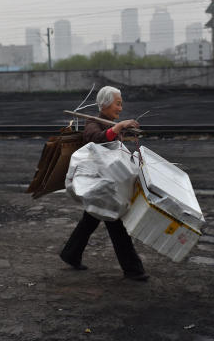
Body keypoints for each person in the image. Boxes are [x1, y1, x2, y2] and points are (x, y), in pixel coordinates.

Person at [59, 86, 149, 281]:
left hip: (107, 184)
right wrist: (117, 128)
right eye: (118, 103)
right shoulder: (93, 123)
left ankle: (71, 254)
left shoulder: (108, 123)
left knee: (90, 220)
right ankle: (133, 270)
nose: (120, 108)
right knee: (115, 223)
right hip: (101, 186)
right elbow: (96, 139)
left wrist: (124, 130)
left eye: (121, 104)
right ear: (106, 104)